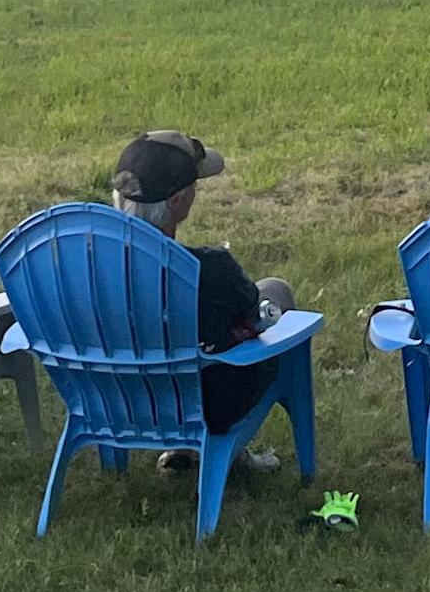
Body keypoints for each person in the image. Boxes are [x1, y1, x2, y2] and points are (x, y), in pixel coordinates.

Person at [110, 130, 293, 430]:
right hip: (203, 406)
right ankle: (218, 451)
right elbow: (248, 312)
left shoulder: (86, 269)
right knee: (275, 291)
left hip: (115, 398)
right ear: (178, 200)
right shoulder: (210, 270)